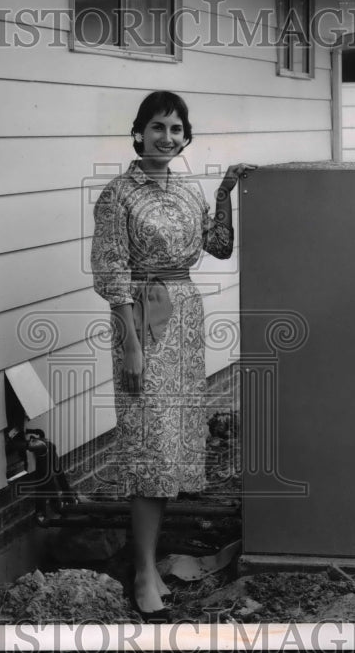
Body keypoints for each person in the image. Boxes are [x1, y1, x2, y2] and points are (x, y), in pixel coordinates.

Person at [90, 90, 255, 617]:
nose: (167, 137)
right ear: (138, 132)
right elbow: (110, 272)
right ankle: (141, 571)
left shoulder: (188, 190)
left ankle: (150, 561)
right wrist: (131, 347)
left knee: (171, 448)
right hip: (141, 313)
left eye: (177, 129)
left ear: (187, 137)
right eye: (157, 127)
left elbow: (220, 246)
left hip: (184, 313)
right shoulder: (119, 194)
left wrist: (226, 191)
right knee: (149, 447)